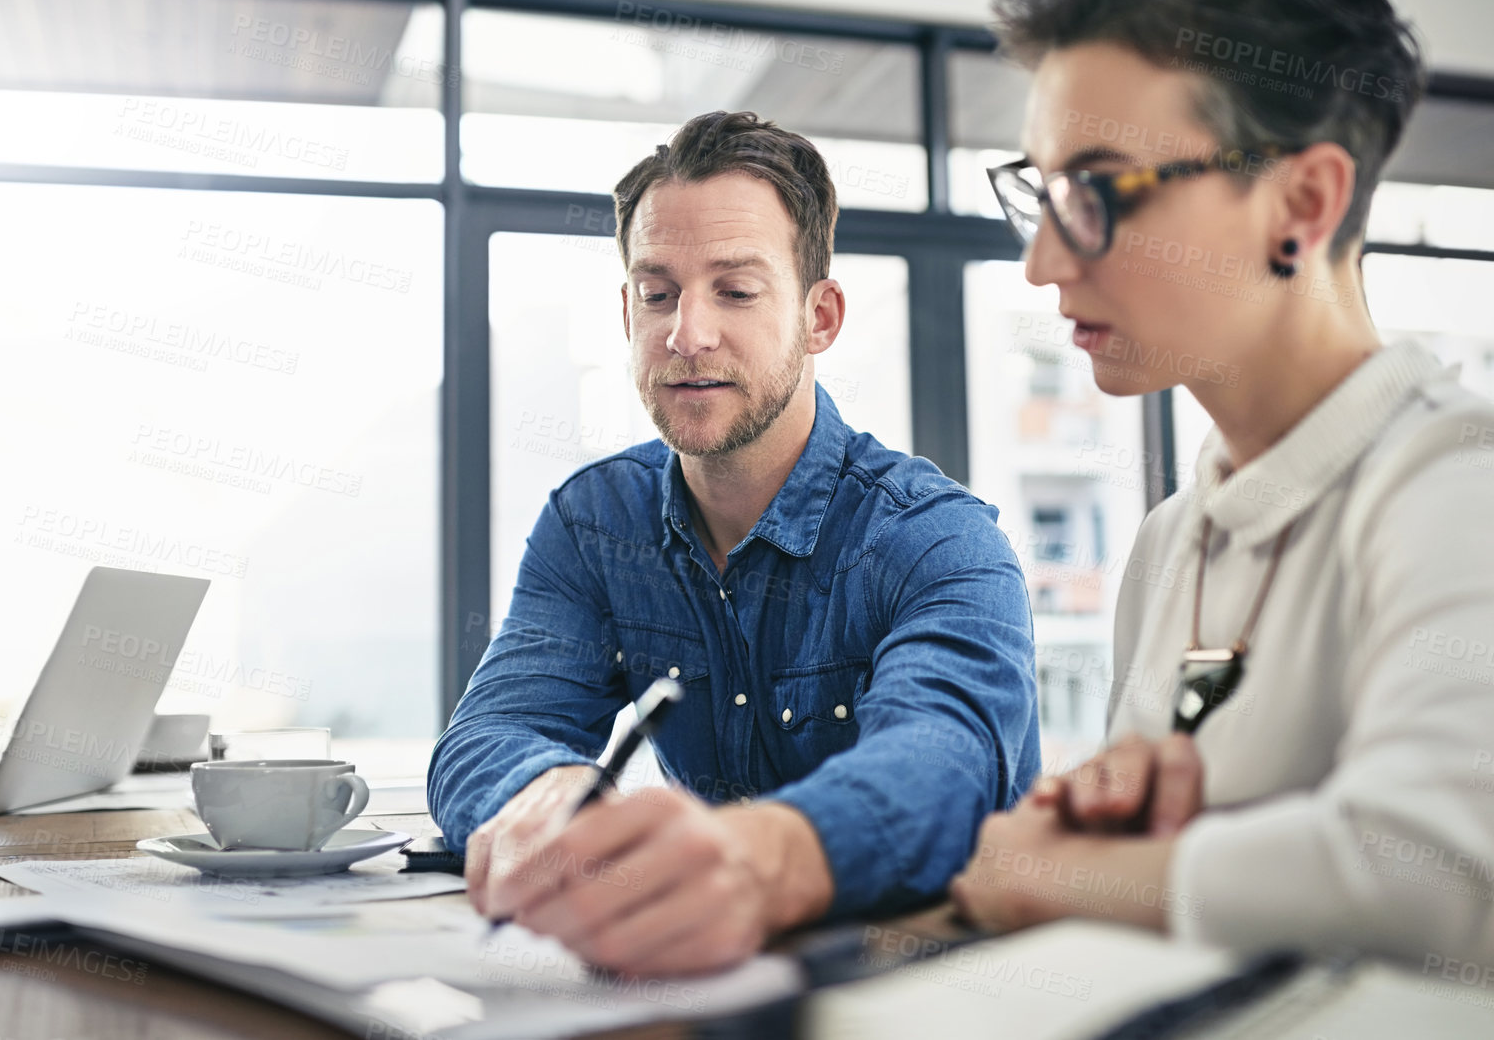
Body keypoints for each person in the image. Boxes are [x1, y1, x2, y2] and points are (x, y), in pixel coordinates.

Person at [950, 0, 1494, 968]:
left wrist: (1036, 870)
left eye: (1100, 190)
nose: (1045, 261)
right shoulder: (1169, 540)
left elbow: (1426, 878)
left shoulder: (1454, 484)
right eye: (1044, 192)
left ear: (1303, 205)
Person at [428, 110, 1040, 976]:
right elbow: (486, 735)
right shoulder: (594, 523)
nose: (687, 333)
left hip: (937, 994)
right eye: (657, 292)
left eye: (736, 290)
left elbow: (938, 776)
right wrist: (550, 796)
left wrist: (752, 857)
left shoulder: (936, 541)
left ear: (819, 316)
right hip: (706, 985)